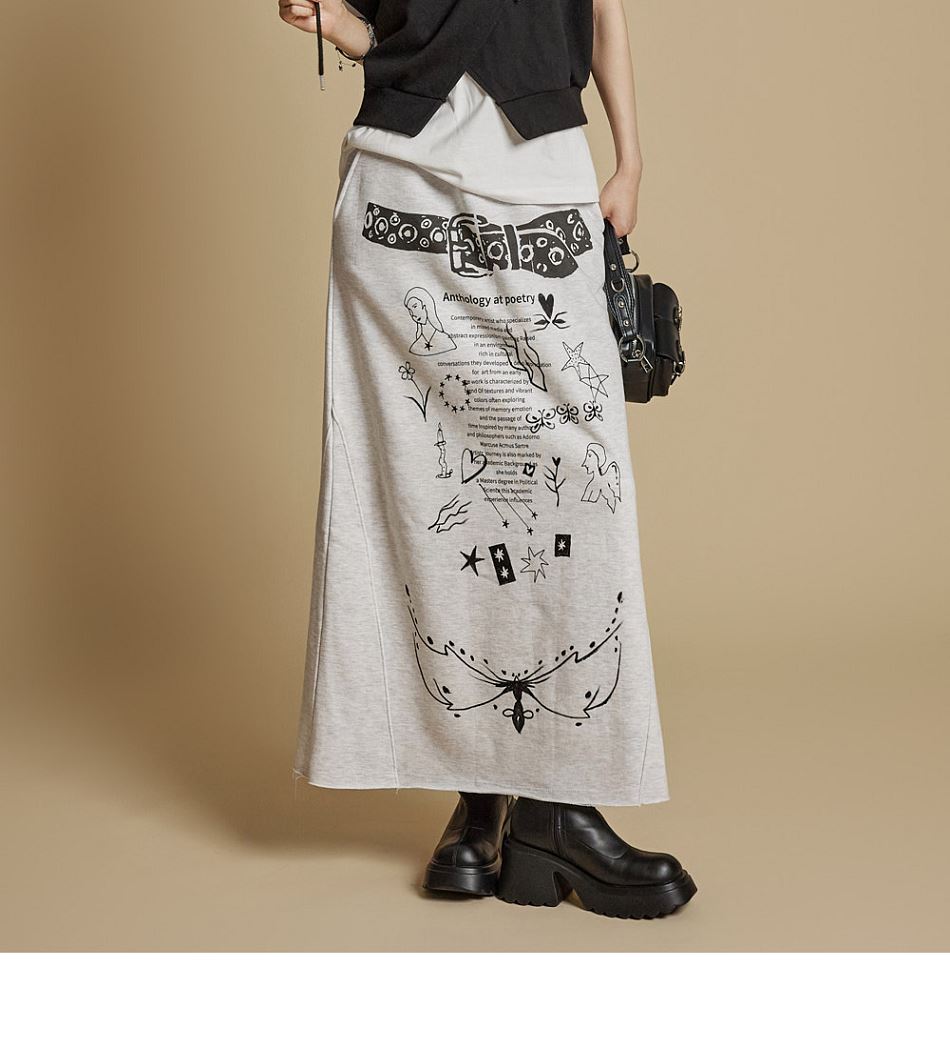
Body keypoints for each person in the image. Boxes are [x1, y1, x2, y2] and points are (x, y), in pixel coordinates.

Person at [280, 0, 696, 919]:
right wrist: (343, 29)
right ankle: (480, 803)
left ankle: (554, 806)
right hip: (401, 187)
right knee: (436, 498)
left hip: (540, 180)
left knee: (569, 494)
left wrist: (629, 160)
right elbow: (377, 25)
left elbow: (602, 8)